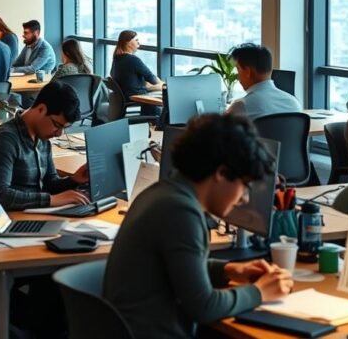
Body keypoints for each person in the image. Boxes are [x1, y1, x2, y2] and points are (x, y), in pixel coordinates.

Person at [105, 113, 293, 338]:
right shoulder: (180, 212)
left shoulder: (161, 193)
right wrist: (259, 292)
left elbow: (179, 267)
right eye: (244, 185)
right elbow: (204, 307)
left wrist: (230, 270)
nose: (243, 198)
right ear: (221, 173)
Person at [0, 81, 90, 210]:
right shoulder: (5, 138)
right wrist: (51, 200)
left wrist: (73, 180)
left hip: (35, 213)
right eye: (57, 125)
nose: (59, 134)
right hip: (12, 219)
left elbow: (49, 183)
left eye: (64, 128)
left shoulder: (42, 138)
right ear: (41, 109)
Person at [226, 44, 301, 119]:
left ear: (247, 72)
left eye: (238, 70)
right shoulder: (294, 103)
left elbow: (219, 129)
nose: (237, 77)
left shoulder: (242, 105)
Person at [110, 30, 163, 116]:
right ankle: (157, 123)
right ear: (128, 43)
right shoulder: (133, 60)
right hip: (136, 95)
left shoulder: (117, 58)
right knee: (164, 91)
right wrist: (161, 85)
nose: (139, 43)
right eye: (136, 40)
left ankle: (150, 121)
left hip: (124, 95)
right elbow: (152, 78)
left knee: (156, 88)